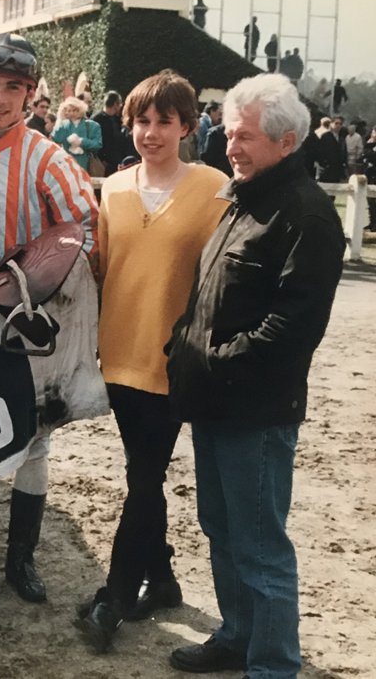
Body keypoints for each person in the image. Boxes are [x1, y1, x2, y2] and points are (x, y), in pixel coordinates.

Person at [166, 73, 343, 678]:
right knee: (221, 529)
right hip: (214, 400)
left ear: (286, 142)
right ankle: (238, 636)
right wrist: (183, 349)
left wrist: (215, 362)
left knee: (262, 546)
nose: (230, 146)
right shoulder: (244, 197)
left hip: (256, 411)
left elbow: (293, 328)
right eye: (229, 133)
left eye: (244, 136)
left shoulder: (306, 215)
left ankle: (272, 665)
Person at [0, 33, 99, 615]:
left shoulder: (48, 159)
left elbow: (86, 231)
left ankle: (20, 556)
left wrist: (46, 283)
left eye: (12, 87)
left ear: (30, 95)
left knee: (31, 436)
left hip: (31, 312)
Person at [74, 70, 229, 652]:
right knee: (142, 471)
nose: (152, 132)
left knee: (144, 475)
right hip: (117, 354)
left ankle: (114, 596)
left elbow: (221, 279)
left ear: (187, 127)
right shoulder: (113, 190)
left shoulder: (214, 188)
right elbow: (102, 270)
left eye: (165, 121)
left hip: (173, 360)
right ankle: (161, 579)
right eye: (142, 120)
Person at [52, 96, 102, 172]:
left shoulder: (92, 125)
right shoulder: (63, 125)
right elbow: (56, 139)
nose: (71, 112)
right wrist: (60, 119)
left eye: (75, 110)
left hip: (85, 167)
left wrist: (82, 141)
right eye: (68, 110)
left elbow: (98, 145)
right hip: (67, 168)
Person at [92, 91, 125, 174]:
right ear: (115, 104)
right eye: (120, 103)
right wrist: (101, 159)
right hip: (103, 162)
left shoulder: (117, 119)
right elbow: (94, 141)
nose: (121, 106)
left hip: (117, 161)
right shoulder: (96, 119)